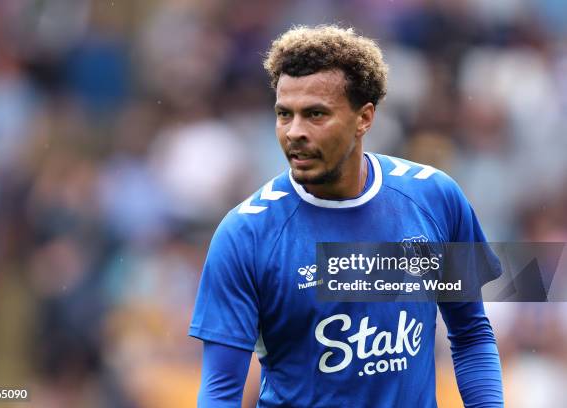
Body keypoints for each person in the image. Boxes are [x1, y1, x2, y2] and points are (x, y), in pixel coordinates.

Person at [189, 25, 504, 407]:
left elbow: (470, 334)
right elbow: (221, 391)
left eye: (315, 114)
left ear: (364, 118)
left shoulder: (435, 198)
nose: (295, 132)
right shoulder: (245, 234)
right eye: (284, 114)